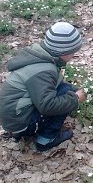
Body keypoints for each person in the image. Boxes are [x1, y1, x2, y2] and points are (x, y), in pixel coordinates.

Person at [0, 22, 86, 151]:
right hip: (20, 123)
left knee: (65, 90)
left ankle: (26, 131)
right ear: (63, 52)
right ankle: (46, 140)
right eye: (72, 53)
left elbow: (52, 85)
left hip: (15, 117)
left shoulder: (38, 55)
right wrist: (75, 98)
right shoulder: (44, 70)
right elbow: (48, 106)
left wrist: (73, 90)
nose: (74, 56)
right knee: (65, 95)